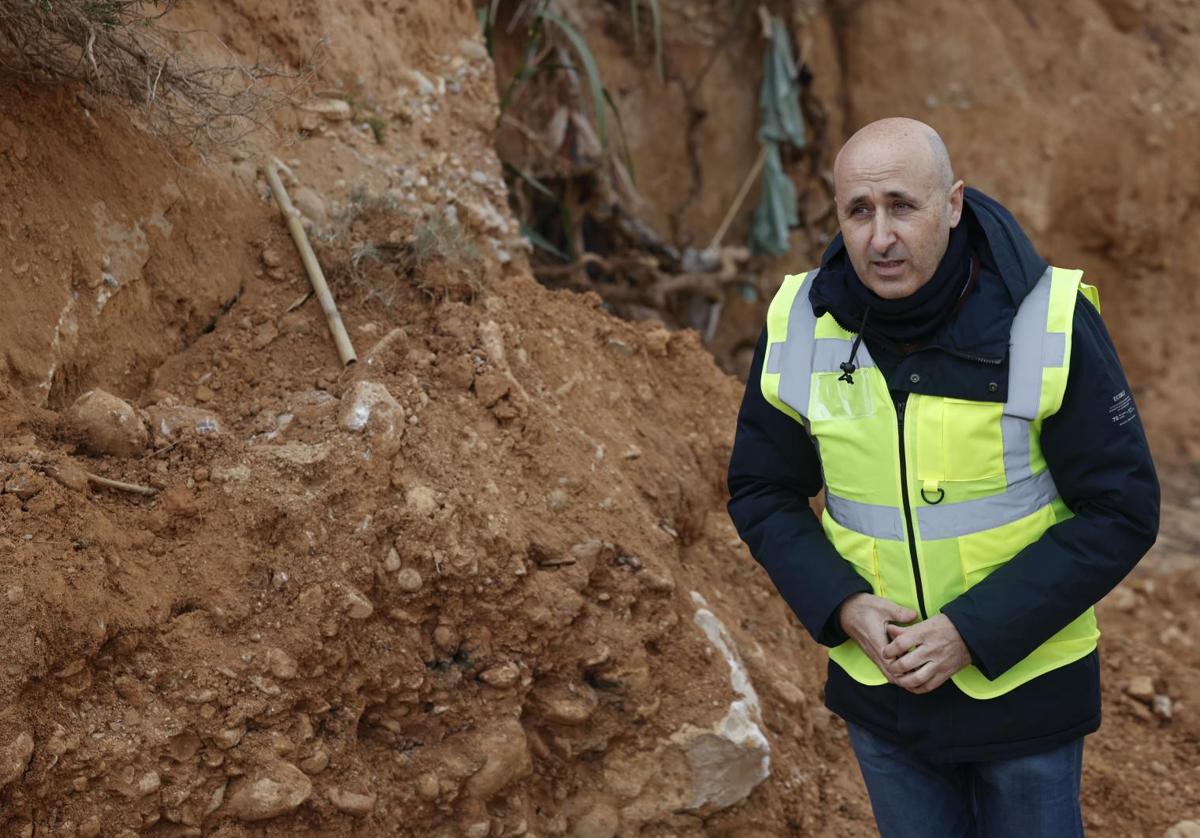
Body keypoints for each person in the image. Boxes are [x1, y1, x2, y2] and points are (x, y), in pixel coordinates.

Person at [726, 117, 1159, 837]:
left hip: (1027, 696)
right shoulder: (800, 325)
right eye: (858, 212)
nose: (880, 237)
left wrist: (971, 630)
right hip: (886, 702)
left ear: (952, 205)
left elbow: (1122, 509)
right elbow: (762, 490)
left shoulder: (1046, 321)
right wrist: (844, 606)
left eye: (903, 205)